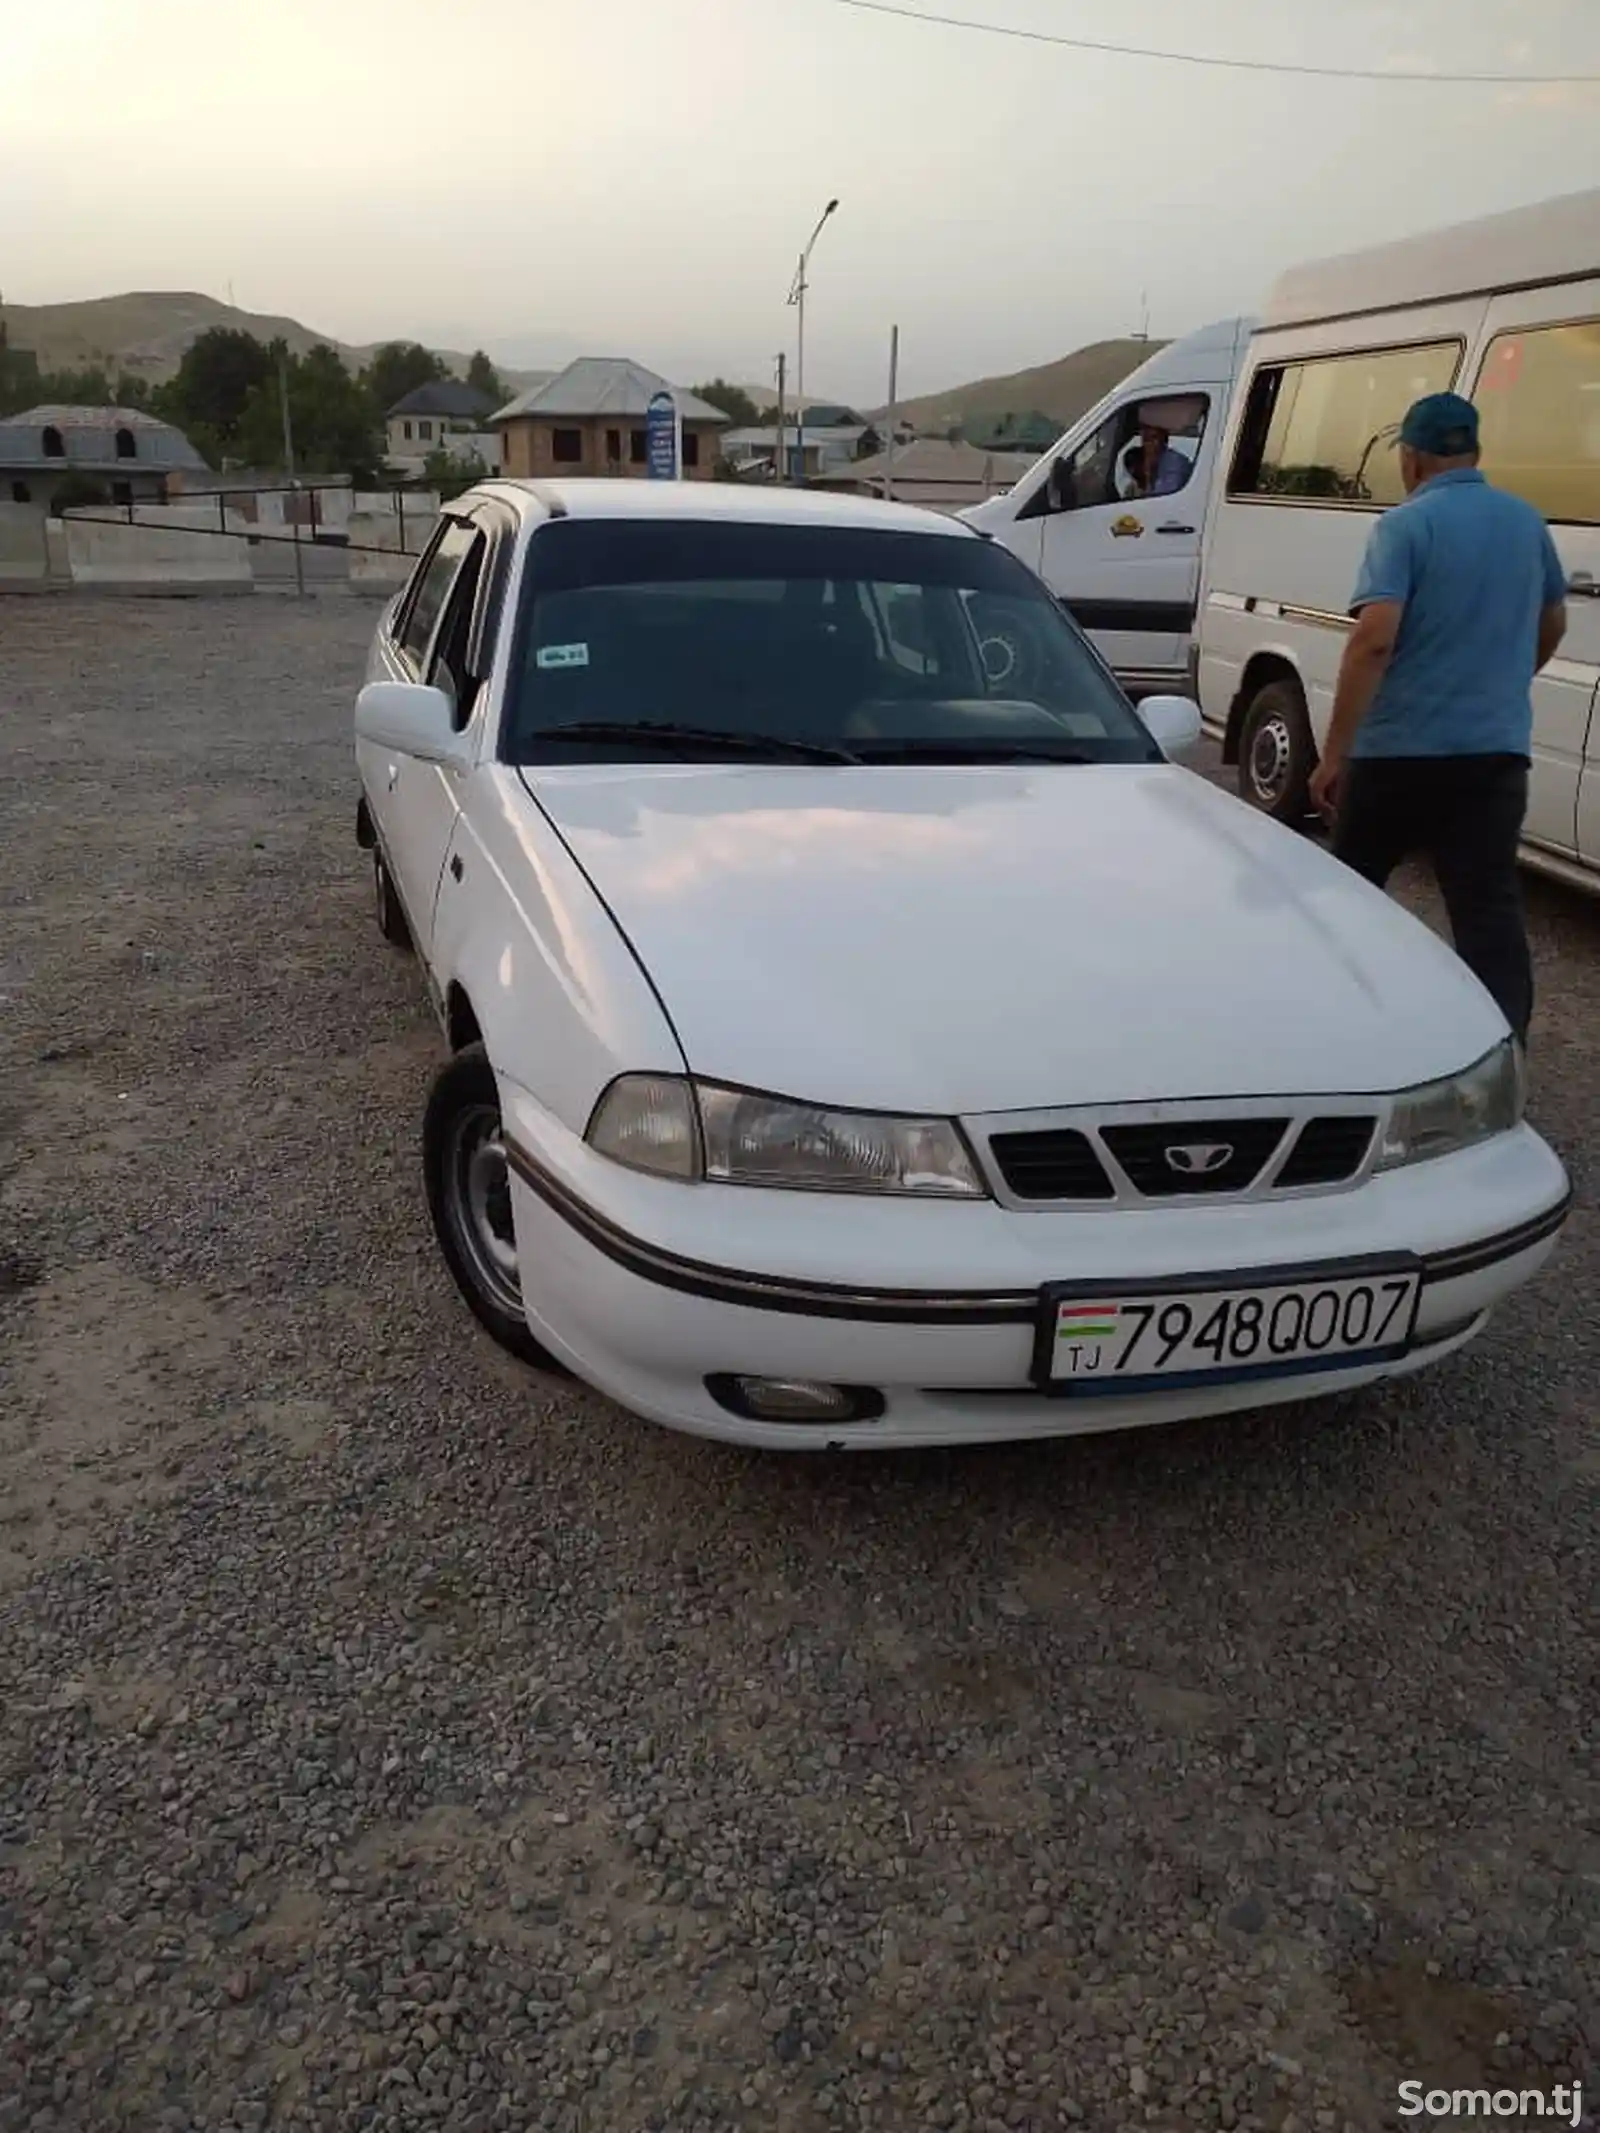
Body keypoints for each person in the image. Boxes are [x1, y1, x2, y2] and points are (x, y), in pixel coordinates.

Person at [1308, 392, 1568, 1046]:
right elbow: (1553, 622)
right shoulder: (1526, 523)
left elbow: (1374, 640)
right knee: (1488, 914)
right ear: (1474, 451)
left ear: (1413, 456)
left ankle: (1332, 1037)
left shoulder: (1406, 526)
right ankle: (1504, 1055)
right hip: (1494, 755)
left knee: (1350, 896)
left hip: (1398, 753)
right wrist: (1500, 684)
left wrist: (1334, 753)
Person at [1137, 422, 1190, 497]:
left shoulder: (1174, 461)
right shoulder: (1145, 460)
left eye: (1153, 437)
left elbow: (1162, 497)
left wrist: (1149, 473)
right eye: (1146, 439)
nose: (1149, 444)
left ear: (1164, 439)